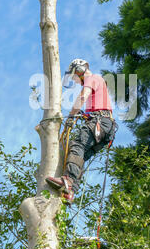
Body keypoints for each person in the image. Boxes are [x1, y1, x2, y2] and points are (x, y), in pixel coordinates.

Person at [46, 59, 118, 204]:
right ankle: (70, 191)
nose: (76, 81)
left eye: (75, 77)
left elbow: (82, 96)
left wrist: (71, 116)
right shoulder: (99, 84)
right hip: (107, 128)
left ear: (79, 70)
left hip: (100, 123)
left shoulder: (92, 78)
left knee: (77, 145)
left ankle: (67, 180)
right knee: (81, 156)